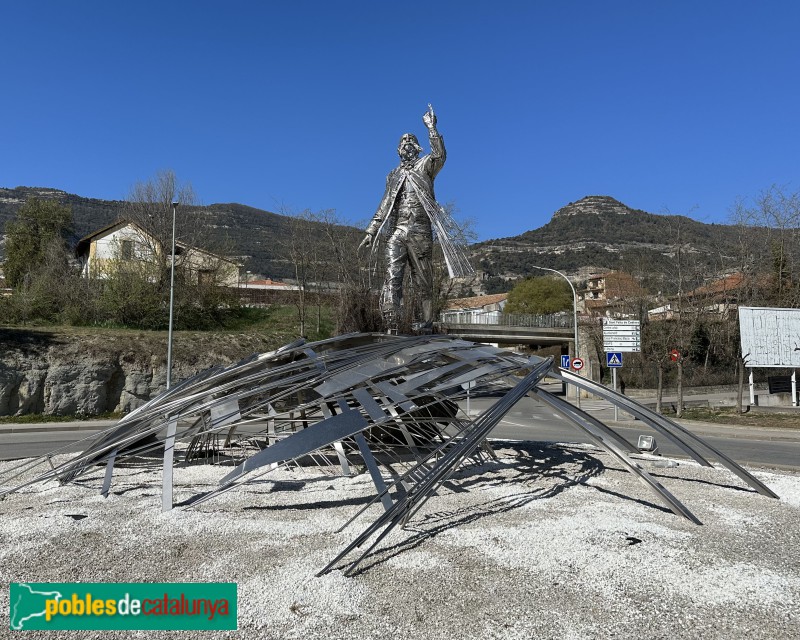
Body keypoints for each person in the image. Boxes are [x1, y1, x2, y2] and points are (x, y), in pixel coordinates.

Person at [359, 106, 446, 332]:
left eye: (411, 140)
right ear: (398, 149)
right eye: (403, 141)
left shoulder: (426, 166)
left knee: (423, 281)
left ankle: (427, 324)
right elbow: (386, 202)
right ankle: (392, 323)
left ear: (417, 147)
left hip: (420, 232)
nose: (407, 142)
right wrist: (372, 230)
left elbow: (440, 155)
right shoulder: (393, 174)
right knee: (392, 276)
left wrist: (431, 128)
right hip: (397, 230)